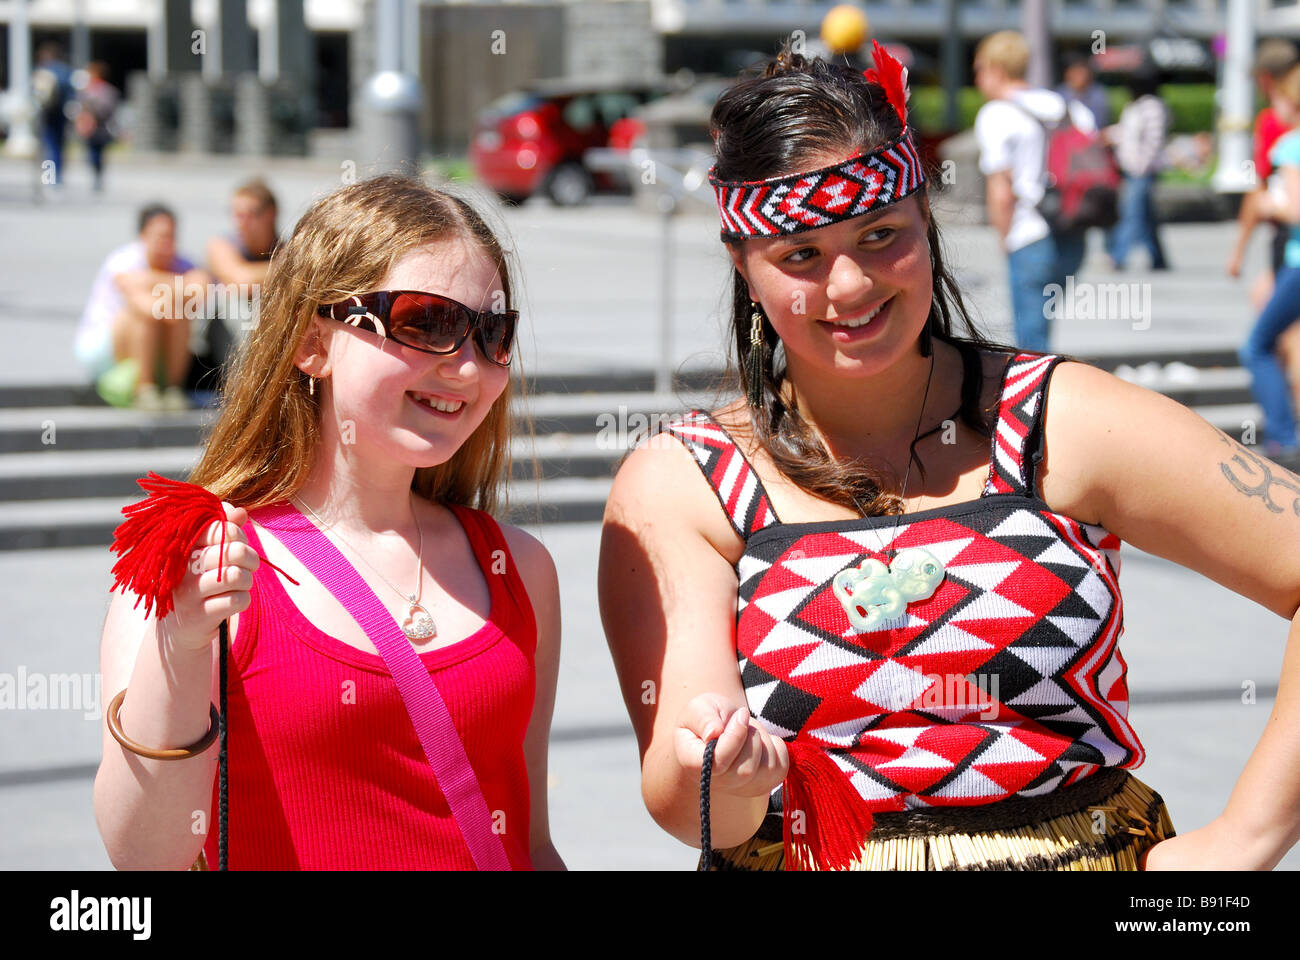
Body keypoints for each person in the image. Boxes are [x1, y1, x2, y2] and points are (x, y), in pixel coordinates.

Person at [599, 39, 1300, 871]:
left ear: (926, 218)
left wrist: (1242, 841)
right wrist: (721, 776)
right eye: (801, 257)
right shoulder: (685, 482)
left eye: (881, 234)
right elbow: (694, 817)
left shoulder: (1060, 420)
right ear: (744, 267)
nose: (851, 286)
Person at [93, 174, 564, 870]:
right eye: (425, 322)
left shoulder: (519, 567)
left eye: (491, 333)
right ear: (313, 344)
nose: (466, 367)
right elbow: (145, 858)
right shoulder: (196, 555)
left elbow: (529, 844)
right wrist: (182, 639)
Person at [973, 30, 1097, 352]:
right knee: (1043, 324)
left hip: (1029, 235)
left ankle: (1039, 400)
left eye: (979, 70)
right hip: (1074, 232)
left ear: (996, 69)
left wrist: (1004, 238)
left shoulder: (996, 114)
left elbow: (1002, 191)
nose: (977, 80)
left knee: (1031, 343)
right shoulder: (1068, 107)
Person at [74, 203, 209, 411]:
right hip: (107, 349)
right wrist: (176, 288)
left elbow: (201, 289)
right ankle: (145, 390)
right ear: (143, 236)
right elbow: (144, 303)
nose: (166, 244)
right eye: (160, 236)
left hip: (155, 345)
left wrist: (151, 281)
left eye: (170, 236)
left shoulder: (183, 263)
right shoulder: (123, 261)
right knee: (147, 314)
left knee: (175, 312)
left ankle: (173, 389)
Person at [1239, 64, 1300, 460]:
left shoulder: (1292, 146)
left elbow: (1295, 210)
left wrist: (1266, 204)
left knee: (1257, 346)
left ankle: (1284, 438)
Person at [195, 179, 282, 392]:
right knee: (233, 298)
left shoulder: (288, 248)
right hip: (224, 344)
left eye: (249, 214)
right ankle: (252, 387)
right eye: (236, 213)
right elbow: (240, 280)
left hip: (271, 334)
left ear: (270, 213)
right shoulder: (221, 245)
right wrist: (288, 269)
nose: (240, 222)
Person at [1102, 60, 1170, 271]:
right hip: (1129, 169)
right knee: (1147, 217)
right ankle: (1158, 258)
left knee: (1131, 214)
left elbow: (1153, 141)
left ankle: (1118, 256)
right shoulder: (1134, 106)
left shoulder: (1153, 107)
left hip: (1142, 171)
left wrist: (1141, 166)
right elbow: (1126, 132)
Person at [32, 42, 74, 187]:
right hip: (61, 113)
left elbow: (34, 93)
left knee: (48, 145)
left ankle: (48, 177)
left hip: (45, 113)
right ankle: (57, 178)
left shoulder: (41, 70)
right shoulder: (65, 71)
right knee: (59, 146)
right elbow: (71, 93)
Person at [74, 61, 120, 193]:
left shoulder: (106, 90)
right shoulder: (86, 90)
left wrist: (93, 113)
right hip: (88, 127)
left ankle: (98, 177)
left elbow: (108, 109)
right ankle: (95, 176)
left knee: (98, 153)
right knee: (91, 153)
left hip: (101, 127)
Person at [1056, 50, 1110, 129]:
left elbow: (1100, 122)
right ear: (1068, 73)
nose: (1080, 77)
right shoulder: (1059, 95)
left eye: (1082, 73)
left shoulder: (1098, 94)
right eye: (1076, 73)